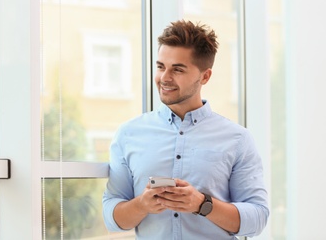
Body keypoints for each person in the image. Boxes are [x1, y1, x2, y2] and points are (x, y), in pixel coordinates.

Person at [102, 20, 269, 239]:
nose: (164, 78)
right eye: (161, 66)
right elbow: (111, 217)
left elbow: (257, 217)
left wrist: (202, 204)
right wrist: (141, 205)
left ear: (205, 76)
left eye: (177, 69)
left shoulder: (237, 139)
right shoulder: (128, 134)